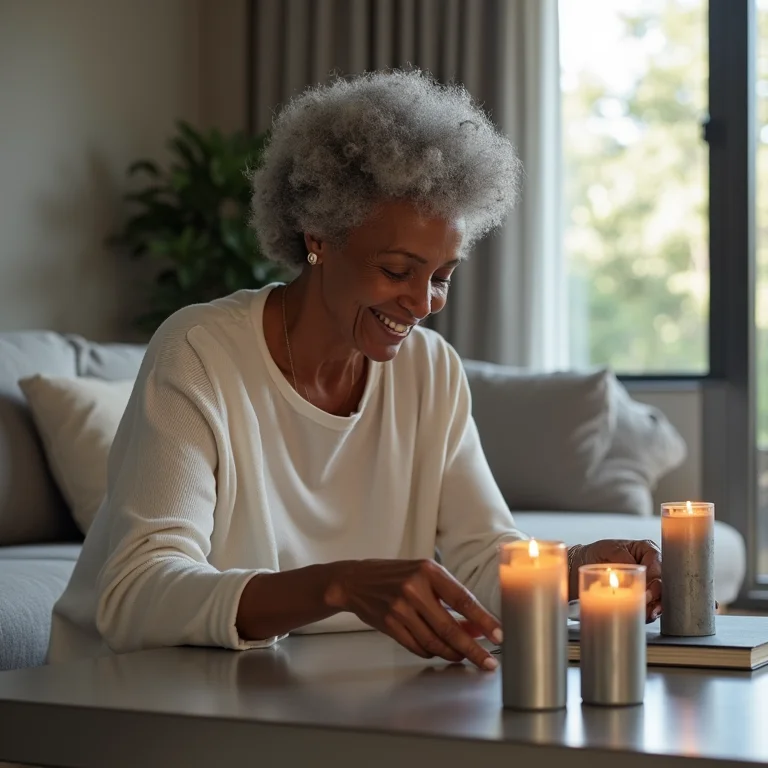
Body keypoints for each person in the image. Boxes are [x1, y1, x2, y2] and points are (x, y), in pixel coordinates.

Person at [48, 70, 662, 671]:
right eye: (398, 271)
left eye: (441, 277)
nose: (423, 304)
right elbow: (138, 593)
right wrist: (337, 586)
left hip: (307, 696)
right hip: (135, 697)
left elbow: (481, 563)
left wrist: (581, 564)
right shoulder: (201, 351)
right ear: (318, 238)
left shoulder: (430, 371)